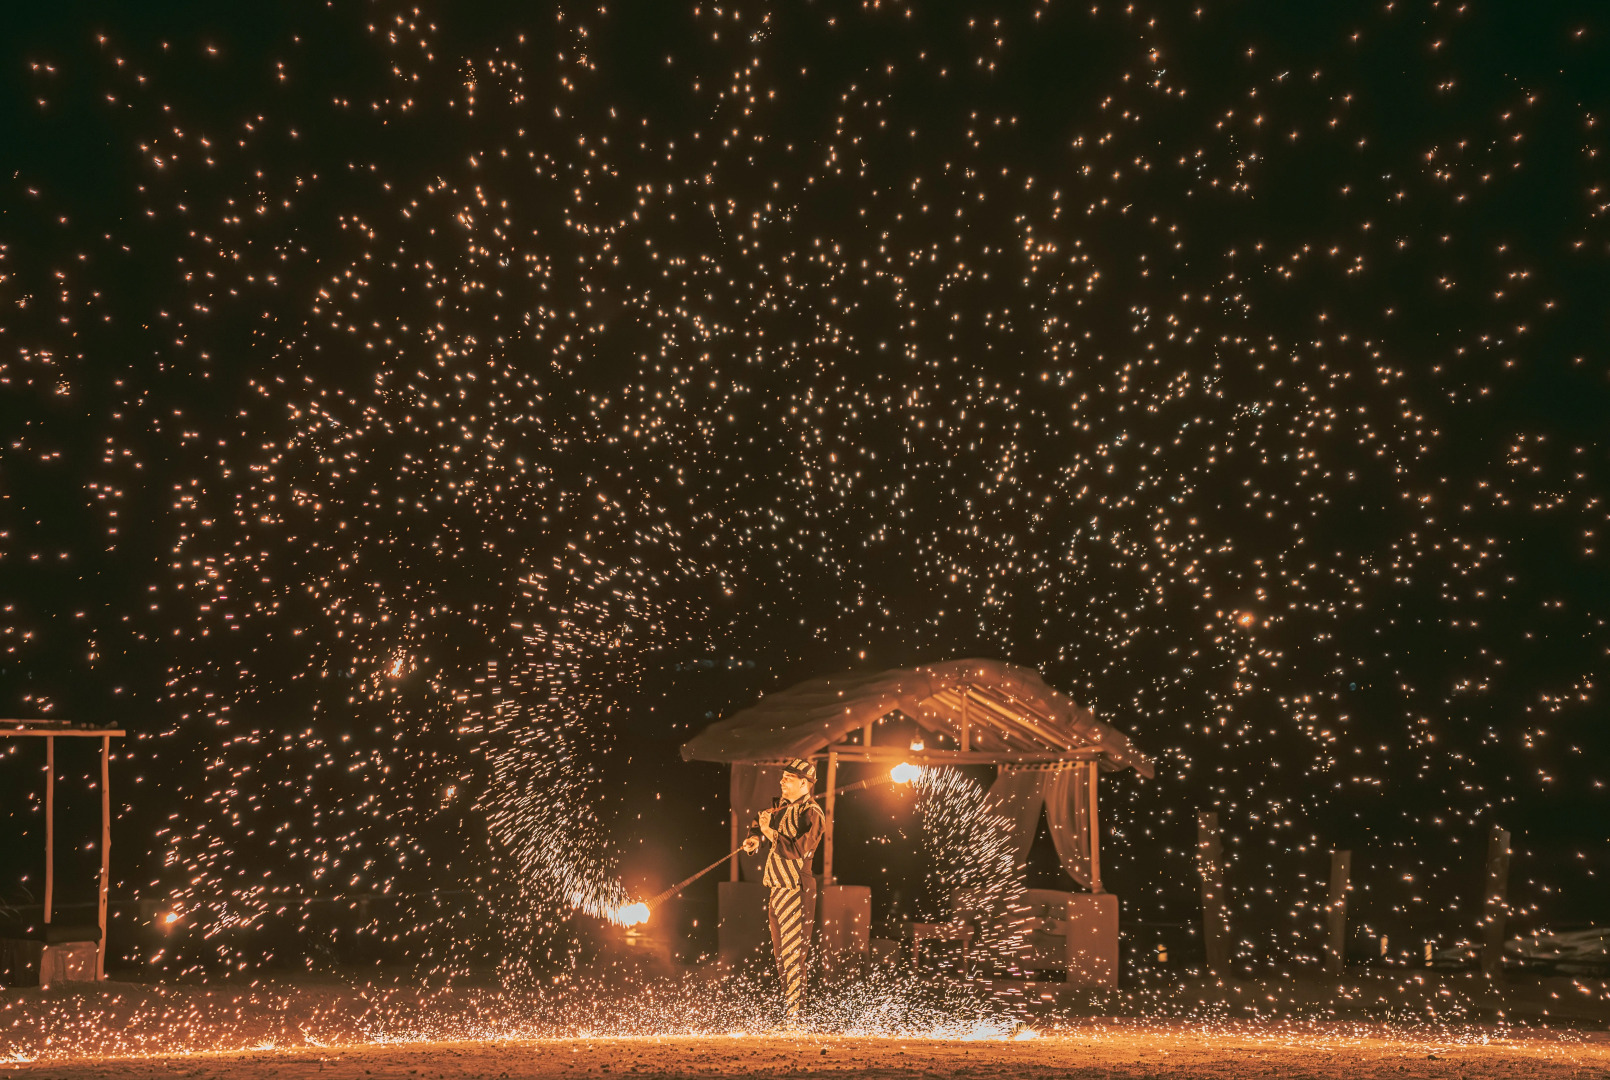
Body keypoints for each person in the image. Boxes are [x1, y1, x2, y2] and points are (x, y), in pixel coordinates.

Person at [741, 757, 825, 1024]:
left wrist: (768, 832)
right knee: (781, 956)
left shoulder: (813, 814)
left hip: (796, 889)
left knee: (793, 956)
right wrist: (755, 836)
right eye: (783, 778)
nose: (781, 783)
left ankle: (796, 1017)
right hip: (777, 888)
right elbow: (759, 821)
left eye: (787, 780)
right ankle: (790, 1014)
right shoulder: (780, 806)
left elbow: (798, 850)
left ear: (804, 783)